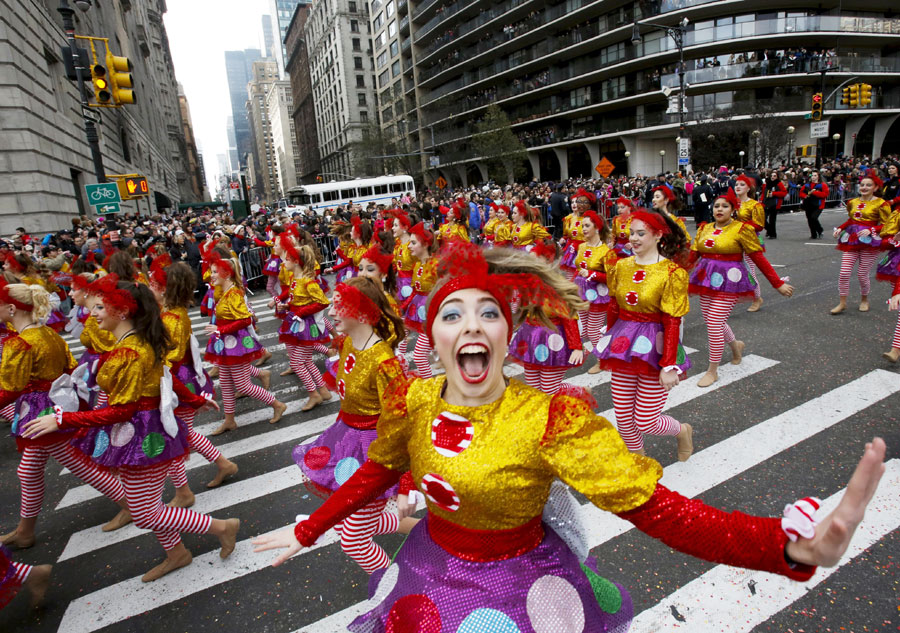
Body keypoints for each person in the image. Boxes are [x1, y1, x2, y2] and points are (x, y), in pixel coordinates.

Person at [254, 242, 887, 633]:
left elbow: (661, 513)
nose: (471, 325)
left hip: (520, 586)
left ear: (507, 335)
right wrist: (309, 530)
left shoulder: (548, 418)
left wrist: (783, 549)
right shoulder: (414, 401)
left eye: (488, 313)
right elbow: (377, 473)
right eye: (453, 314)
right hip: (429, 570)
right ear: (435, 337)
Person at [24, 277, 241, 583]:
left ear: (122, 312)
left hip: (141, 435)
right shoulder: (133, 342)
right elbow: (163, 375)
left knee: (143, 511)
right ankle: (176, 553)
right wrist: (194, 400)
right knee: (145, 504)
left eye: (101, 307)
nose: (93, 313)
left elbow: (123, 410)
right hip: (134, 432)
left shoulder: (131, 351)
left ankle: (221, 527)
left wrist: (63, 420)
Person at [291, 277, 415, 573]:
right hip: (346, 440)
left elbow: (403, 424)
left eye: (338, 305)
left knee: (353, 540)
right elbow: (348, 402)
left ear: (360, 312)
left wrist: (406, 485)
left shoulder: (384, 362)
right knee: (351, 520)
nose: (331, 313)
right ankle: (424, 528)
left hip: (374, 452)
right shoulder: (348, 342)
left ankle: (389, 591)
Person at [0, 280, 131, 548]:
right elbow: (69, 365)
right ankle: (25, 530)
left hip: (41, 412)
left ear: (12, 309)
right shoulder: (47, 333)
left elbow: (10, 388)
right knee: (29, 470)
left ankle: (130, 503)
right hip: (51, 405)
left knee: (77, 462)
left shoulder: (21, 342)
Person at [593, 208, 694, 458]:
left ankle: (682, 431)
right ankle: (640, 467)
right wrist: (607, 342)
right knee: (624, 421)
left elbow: (673, 320)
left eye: (641, 233)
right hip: (623, 345)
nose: (634, 239)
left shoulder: (672, 273)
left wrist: (670, 364)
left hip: (656, 348)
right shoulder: (621, 266)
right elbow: (614, 305)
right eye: (631, 233)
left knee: (646, 420)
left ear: (659, 235)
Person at [149, 261, 238, 507]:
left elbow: (170, 360)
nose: (149, 286)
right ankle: (222, 465)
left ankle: (184, 492)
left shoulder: (172, 319)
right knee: (181, 433)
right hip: (179, 379)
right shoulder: (170, 313)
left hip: (178, 382)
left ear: (166, 289)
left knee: (176, 435)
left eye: (153, 283)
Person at [688, 189, 794, 388]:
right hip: (705, 280)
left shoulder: (741, 229)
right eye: (717, 206)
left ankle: (712, 370)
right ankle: (736, 346)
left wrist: (777, 283)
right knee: (715, 322)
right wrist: (671, 273)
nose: (719, 209)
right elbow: (692, 257)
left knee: (713, 322)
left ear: (733, 209)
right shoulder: (704, 228)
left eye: (725, 206)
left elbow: (758, 258)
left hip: (730, 281)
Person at [205, 252, 286, 434]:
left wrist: (221, 330)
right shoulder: (224, 291)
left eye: (215, 272)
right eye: (212, 272)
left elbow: (245, 320)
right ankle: (229, 420)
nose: (211, 275)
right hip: (226, 343)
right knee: (225, 382)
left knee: (242, 385)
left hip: (237, 344)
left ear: (226, 273)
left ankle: (278, 404)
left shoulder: (233, 293)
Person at [508, 240, 585, 394]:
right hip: (529, 338)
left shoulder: (558, 285)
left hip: (553, 338)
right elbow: (514, 310)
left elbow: (569, 318)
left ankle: (578, 393)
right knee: (533, 388)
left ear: (548, 262)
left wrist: (576, 347)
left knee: (549, 389)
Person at [273, 239, 333, 411]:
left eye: (286, 260)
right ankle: (323, 390)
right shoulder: (295, 279)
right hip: (296, 323)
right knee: (306, 360)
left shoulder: (308, 281)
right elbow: (297, 299)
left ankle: (314, 394)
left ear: (295, 261)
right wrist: (288, 306)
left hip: (305, 326)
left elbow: (322, 302)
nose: (283, 263)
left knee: (298, 362)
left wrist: (301, 312)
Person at [831, 174, 894, 315]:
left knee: (862, 274)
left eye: (868, 185)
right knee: (844, 273)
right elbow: (851, 220)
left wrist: (871, 229)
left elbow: (887, 225)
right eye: (862, 184)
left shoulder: (881, 204)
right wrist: (840, 228)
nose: (864, 187)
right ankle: (842, 303)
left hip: (870, 243)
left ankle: (864, 299)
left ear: (876, 187)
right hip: (852, 241)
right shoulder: (853, 202)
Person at [573, 210, 616, 374]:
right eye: (582, 225)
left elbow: (612, 278)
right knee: (583, 329)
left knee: (592, 330)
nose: (583, 229)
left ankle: (603, 360)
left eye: (587, 226)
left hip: (598, 295)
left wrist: (593, 274)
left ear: (597, 228)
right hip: (581, 293)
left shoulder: (606, 251)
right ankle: (598, 351)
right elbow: (578, 270)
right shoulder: (582, 246)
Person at [399, 222, 438, 378]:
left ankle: (430, 391)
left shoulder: (436, 265)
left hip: (432, 316)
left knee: (420, 355)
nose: (409, 246)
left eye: (413, 243)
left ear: (425, 245)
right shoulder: (417, 265)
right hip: (417, 312)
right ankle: (402, 374)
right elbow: (415, 290)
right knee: (401, 338)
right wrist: (404, 306)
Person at [734, 175, 767, 313]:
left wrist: (741, 225)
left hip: (749, 240)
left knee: (749, 270)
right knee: (733, 269)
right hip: (734, 240)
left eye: (742, 184)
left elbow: (759, 225)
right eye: (736, 184)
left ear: (748, 188)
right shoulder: (732, 203)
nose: (738, 187)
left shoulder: (754, 205)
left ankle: (757, 298)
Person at [558, 188, 590, 279]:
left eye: (576, 202)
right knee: (569, 273)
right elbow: (566, 233)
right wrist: (563, 238)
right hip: (571, 249)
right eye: (572, 202)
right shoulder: (568, 218)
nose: (574, 204)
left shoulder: (587, 217)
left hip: (584, 248)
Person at [799, 170, 829, 240]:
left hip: (818, 205)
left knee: (814, 218)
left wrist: (814, 193)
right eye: (812, 175)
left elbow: (825, 194)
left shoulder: (822, 185)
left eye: (815, 175)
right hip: (808, 204)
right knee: (809, 219)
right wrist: (805, 196)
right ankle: (813, 234)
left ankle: (820, 230)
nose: (813, 177)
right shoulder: (807, 185)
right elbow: (801, 193)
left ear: (818, 177)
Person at [761, 169, 787, 239]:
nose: (772, 177)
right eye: (771, 176)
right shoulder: (767, 183)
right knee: (762, 218)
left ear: (777, 177)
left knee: (772, 220)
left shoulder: (779, 184)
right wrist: (761, 200)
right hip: (766, 203)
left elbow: (784, 193)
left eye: (774, 176)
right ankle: (769, 230)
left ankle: (773, 234)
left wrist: (774, 194)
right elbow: (763, 193)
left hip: (774, 203)